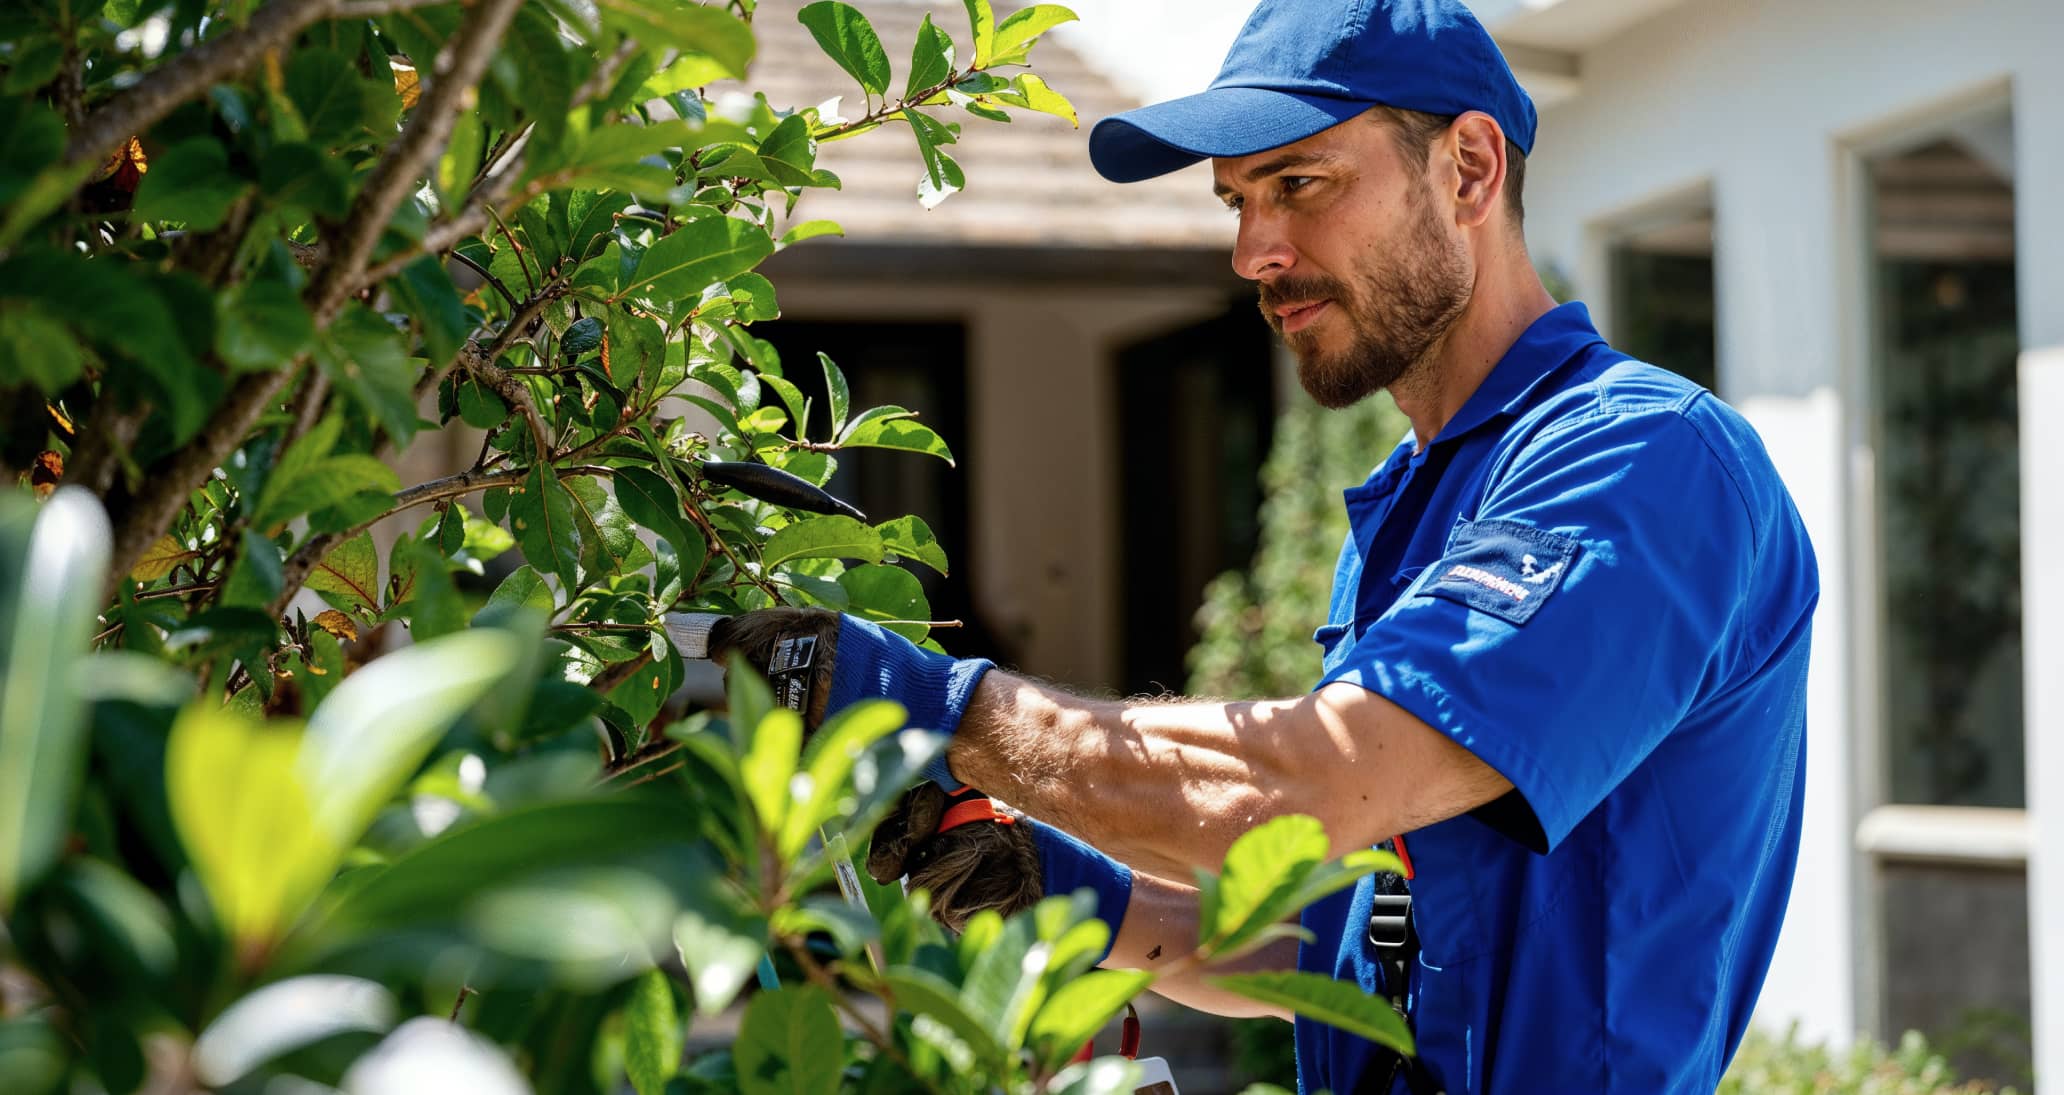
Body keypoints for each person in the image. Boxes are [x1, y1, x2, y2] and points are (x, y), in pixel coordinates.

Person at [717, 0, 1820, 1090]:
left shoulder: (1639, 465)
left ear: (1470, 171)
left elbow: (1312, 786)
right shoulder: (1416, 512)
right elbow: (1344, 946)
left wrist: (942, 711)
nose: (1254, 250)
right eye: (1237, 201)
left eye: (1300, 183)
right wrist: (1054, 883)